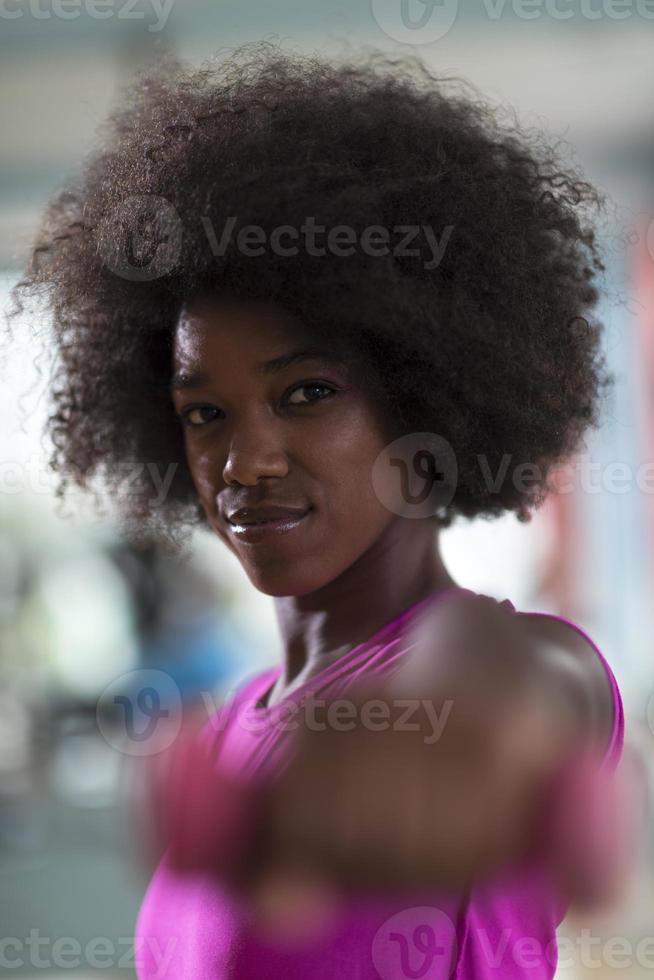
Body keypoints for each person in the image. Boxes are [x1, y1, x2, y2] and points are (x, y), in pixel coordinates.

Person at [8, 39, 627, 980]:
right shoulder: (232, 726)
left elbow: (499, 690)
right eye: (205, 413)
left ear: (420, 407)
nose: (243, 460)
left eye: (306, 394)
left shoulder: (522, 663)